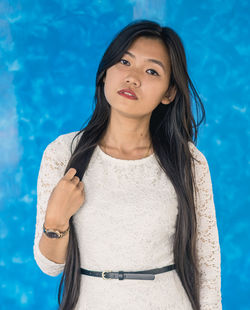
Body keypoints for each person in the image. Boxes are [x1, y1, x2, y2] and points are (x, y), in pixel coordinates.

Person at [33, 19, 222, 310]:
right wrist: (56, 220)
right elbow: (50, 266)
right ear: (105, 72)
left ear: (168, 93)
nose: (133, 78)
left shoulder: (188, 160)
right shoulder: (63, 153)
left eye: (151, 71)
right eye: (124, 61)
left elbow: (207, 267)